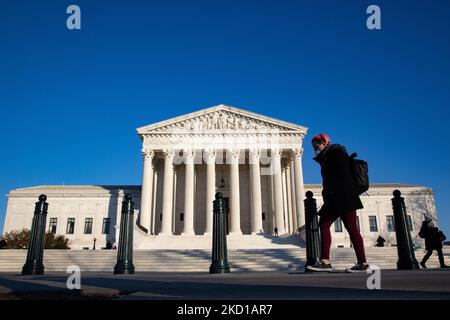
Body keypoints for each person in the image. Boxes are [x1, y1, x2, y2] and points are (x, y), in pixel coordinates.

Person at [306, 133, 369, 273]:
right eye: (314, 147)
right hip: (334, 198)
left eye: (317, 145)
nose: (316, 148)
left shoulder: (337, 152)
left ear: (325, 142)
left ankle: (362, 262)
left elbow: (341, 175)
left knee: (352, 228)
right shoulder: (327, 156)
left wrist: (332, 192)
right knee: (324, 224)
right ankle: (325, 261)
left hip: (343, 196)